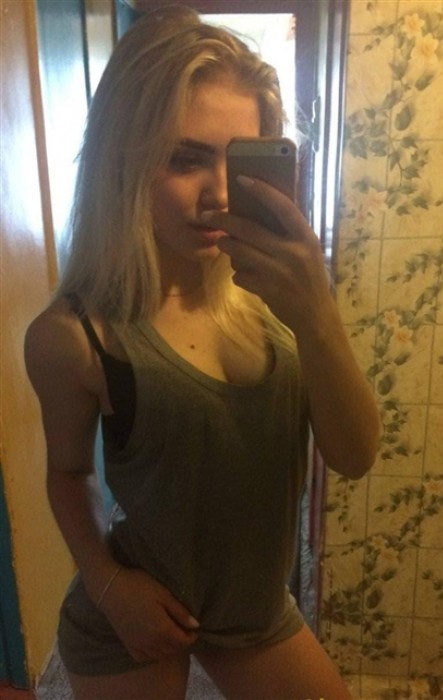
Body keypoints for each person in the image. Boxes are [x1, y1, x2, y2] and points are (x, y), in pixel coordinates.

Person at [25, 7, 380, 700]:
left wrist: (318, 314)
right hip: (134, 613)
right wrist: (110, 586)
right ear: (122, 163)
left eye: (238, 160)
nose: (218, 194)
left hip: (254, 611)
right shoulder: (75, 336)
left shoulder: (276, 298)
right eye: (185, 159)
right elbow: (67, 475)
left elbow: (355, 454)